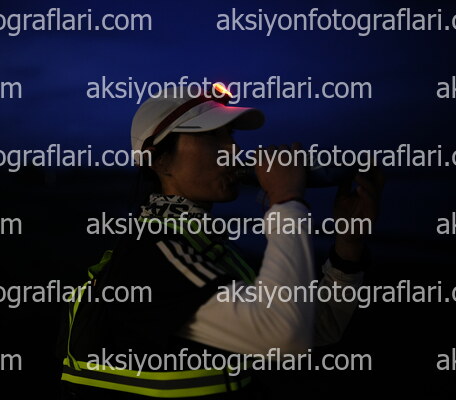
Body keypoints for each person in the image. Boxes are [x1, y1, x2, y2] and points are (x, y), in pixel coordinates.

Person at [58, 84, 384, 399]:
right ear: (160, 161)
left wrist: (348, 247)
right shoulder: (152, 250)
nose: (234, 150)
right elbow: (283, 336)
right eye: (213, 136)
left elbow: (318, 327)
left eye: (230, 135)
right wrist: (286, 201)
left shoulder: (203, 245)